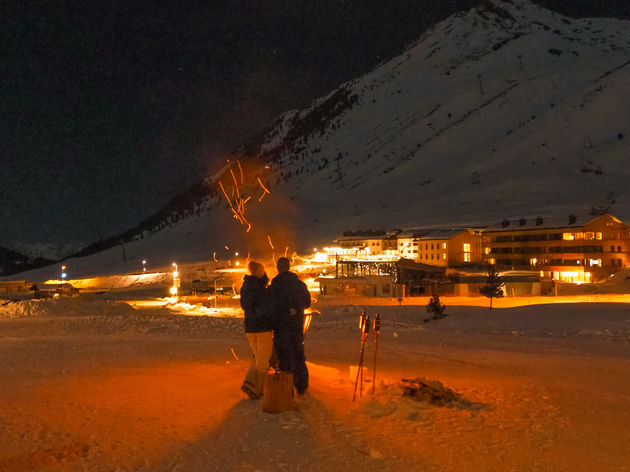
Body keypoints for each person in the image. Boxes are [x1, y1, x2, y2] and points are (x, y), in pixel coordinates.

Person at [268, 257, 311, 394]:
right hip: (296, 326)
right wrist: (295, 309)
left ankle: (287, 389)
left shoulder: (274, 286)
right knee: (298, 355)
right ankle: (301, 386)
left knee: (283, 357)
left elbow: (269, 305)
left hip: (280, 327)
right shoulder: (299, 285)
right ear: (289, 267)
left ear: (278, 268)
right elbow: (307, 302)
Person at [240, 261, 274, 399]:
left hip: (250, 328)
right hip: (263, 328)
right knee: (263, 359)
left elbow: (246, 306)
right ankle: (255, 387)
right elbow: (266, 308)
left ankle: (252, 385)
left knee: (258, 357)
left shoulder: (246, 287)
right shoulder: (261, 289)